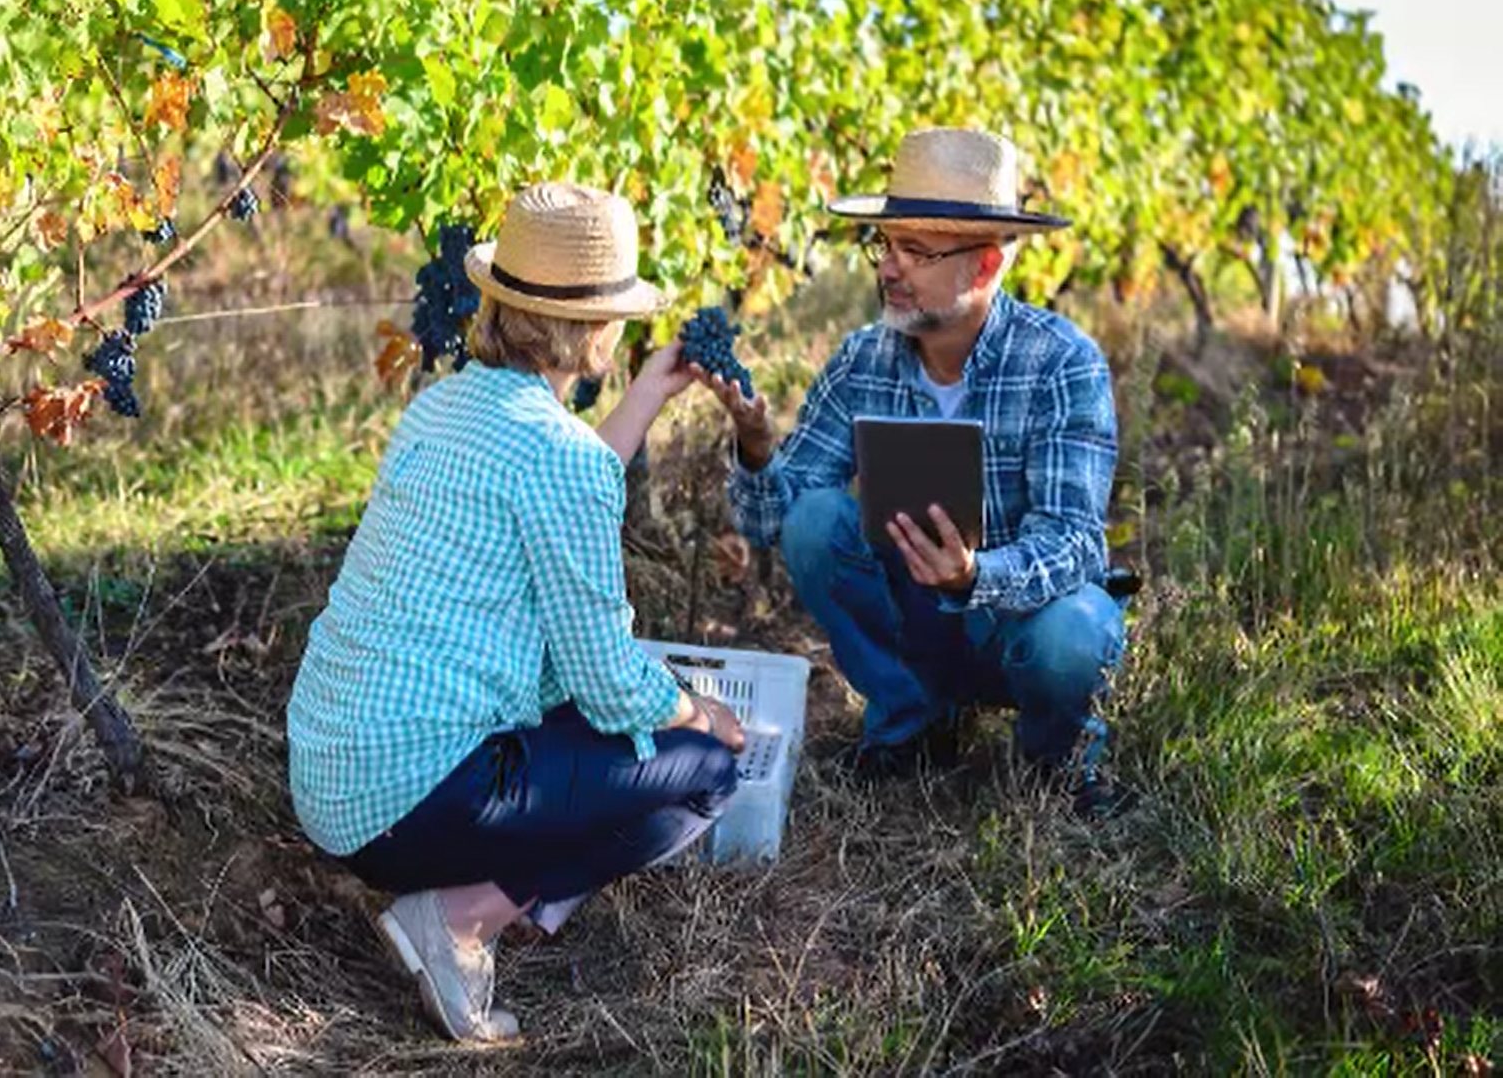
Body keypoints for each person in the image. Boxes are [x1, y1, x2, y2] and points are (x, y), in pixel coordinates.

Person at [286, 182, 747, 1042]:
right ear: (600, 329)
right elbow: (609, 684)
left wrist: (649, 391)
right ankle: (460, 918)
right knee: (705, 771)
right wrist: (700, 710)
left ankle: (455, 900)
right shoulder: (556, 458)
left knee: (596, 721)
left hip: (331, 779)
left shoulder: (443, 408)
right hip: (411, 804)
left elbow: (562, 481)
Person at [696, 128, 1128, 814]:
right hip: (917, 617)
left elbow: (1077, 543)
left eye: (916, 251)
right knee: (814, 519)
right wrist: (755, 447)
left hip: (1016, 624)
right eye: (885, 245)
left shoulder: (1060, 362)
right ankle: (912, 722)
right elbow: (771, 522)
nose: (889, 268)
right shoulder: (863, 358)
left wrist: (975, 575)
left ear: (984, 268)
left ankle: (1058, 762)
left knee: (1074, 633)